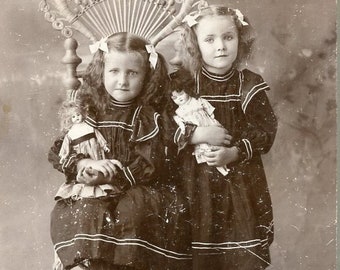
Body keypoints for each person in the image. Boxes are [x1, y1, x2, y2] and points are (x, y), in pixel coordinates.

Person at [48, 32, 192, 270]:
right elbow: (60, 149)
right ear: (102, 72)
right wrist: (83, 165)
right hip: (96, 186)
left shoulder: (148, 116)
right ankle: (84, 264)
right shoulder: (89, 111)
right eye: (114, 71)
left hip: (139, 186)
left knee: (132, 211)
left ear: (146, 76)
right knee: (78, 210)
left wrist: (113, 175)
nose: (122, 81)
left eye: (132, 73)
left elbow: (150, 162)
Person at [170, 5, 278, 270]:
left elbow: (265, 131)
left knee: (240, 245)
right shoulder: (182, 83)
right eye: (209, 39)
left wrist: (236, 152)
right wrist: (195, 134)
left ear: (240, 40)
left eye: (228, 37)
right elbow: (160, 128)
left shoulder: (248, 84)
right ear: (195, 44)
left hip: (239, 180)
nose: (220, 46)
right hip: (192, 181)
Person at [55, 100, 122, 201]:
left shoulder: (89, 126)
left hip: (95, 149)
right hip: (82, 152)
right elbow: (65, 146)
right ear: (69, 119)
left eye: (78, 115)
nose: (77, 118)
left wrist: (104, 146)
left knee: (99, 161)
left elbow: (99, 137)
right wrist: (64, 155)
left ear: (82, 114)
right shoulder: (71, 133)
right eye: (73, 117)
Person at [170, 71, 229, 175]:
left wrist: (214, 121)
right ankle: (221, 168)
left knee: (219, 144)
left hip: (209, 124)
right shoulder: (178, 112)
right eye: (174, 98)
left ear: (186, 90)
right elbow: (180, 124)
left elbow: (209, 110)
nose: (179, 99)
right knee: (207, 150)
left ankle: (224, 166)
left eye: (181, 94)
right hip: (197, 131)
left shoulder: (197, 101)